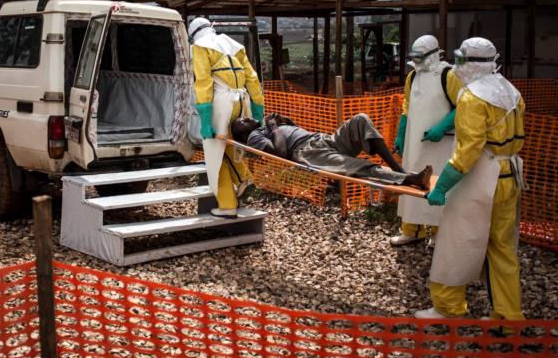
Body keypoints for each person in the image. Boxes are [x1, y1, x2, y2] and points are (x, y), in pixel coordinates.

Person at [415, 37, 526, 322]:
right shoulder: (511, 91)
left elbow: (468, 152)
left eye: (461, 59)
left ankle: (448, 307)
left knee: (456, 242)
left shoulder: (473, 97)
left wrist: (441, 187)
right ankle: (509, 316)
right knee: (502, 248)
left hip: (480, 179)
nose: (457, 66)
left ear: (470, 63)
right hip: (510, 176)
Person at [390, 35, 464, 247]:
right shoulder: (412, 77)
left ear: (433, 54)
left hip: (441, 145)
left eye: (421, 56)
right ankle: (412, 230)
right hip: (415, 143)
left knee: (439, 183)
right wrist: (401, 133)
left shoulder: (449, 75)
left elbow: (463, 105)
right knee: (412, 180)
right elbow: (407, 106)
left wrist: (443, 126)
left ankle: (439, 233)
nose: (417, 60)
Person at [231, 113, 433, 189]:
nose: (245, 118)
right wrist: (274, 127)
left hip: (321, 139)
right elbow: (281, 152)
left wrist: (287, 123)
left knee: (360, 120)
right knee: (358, 166)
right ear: (243, 135)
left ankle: (400, 169)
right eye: (241, 123)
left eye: (243, 117)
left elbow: (294, 132)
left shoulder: (265, 126)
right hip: (308, 152)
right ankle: (408, 179)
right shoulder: (254, 137)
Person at [190, 17, 264, 218]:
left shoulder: (200, 46)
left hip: (221, 103)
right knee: (232, 145)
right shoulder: (234, 45)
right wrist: (258, 113)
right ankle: (244, 179)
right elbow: (253, 79)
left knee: (215, 155)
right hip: (242, 101)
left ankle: (227, 205)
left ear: (193, 35)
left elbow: (204, 83)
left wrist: (205, 120)